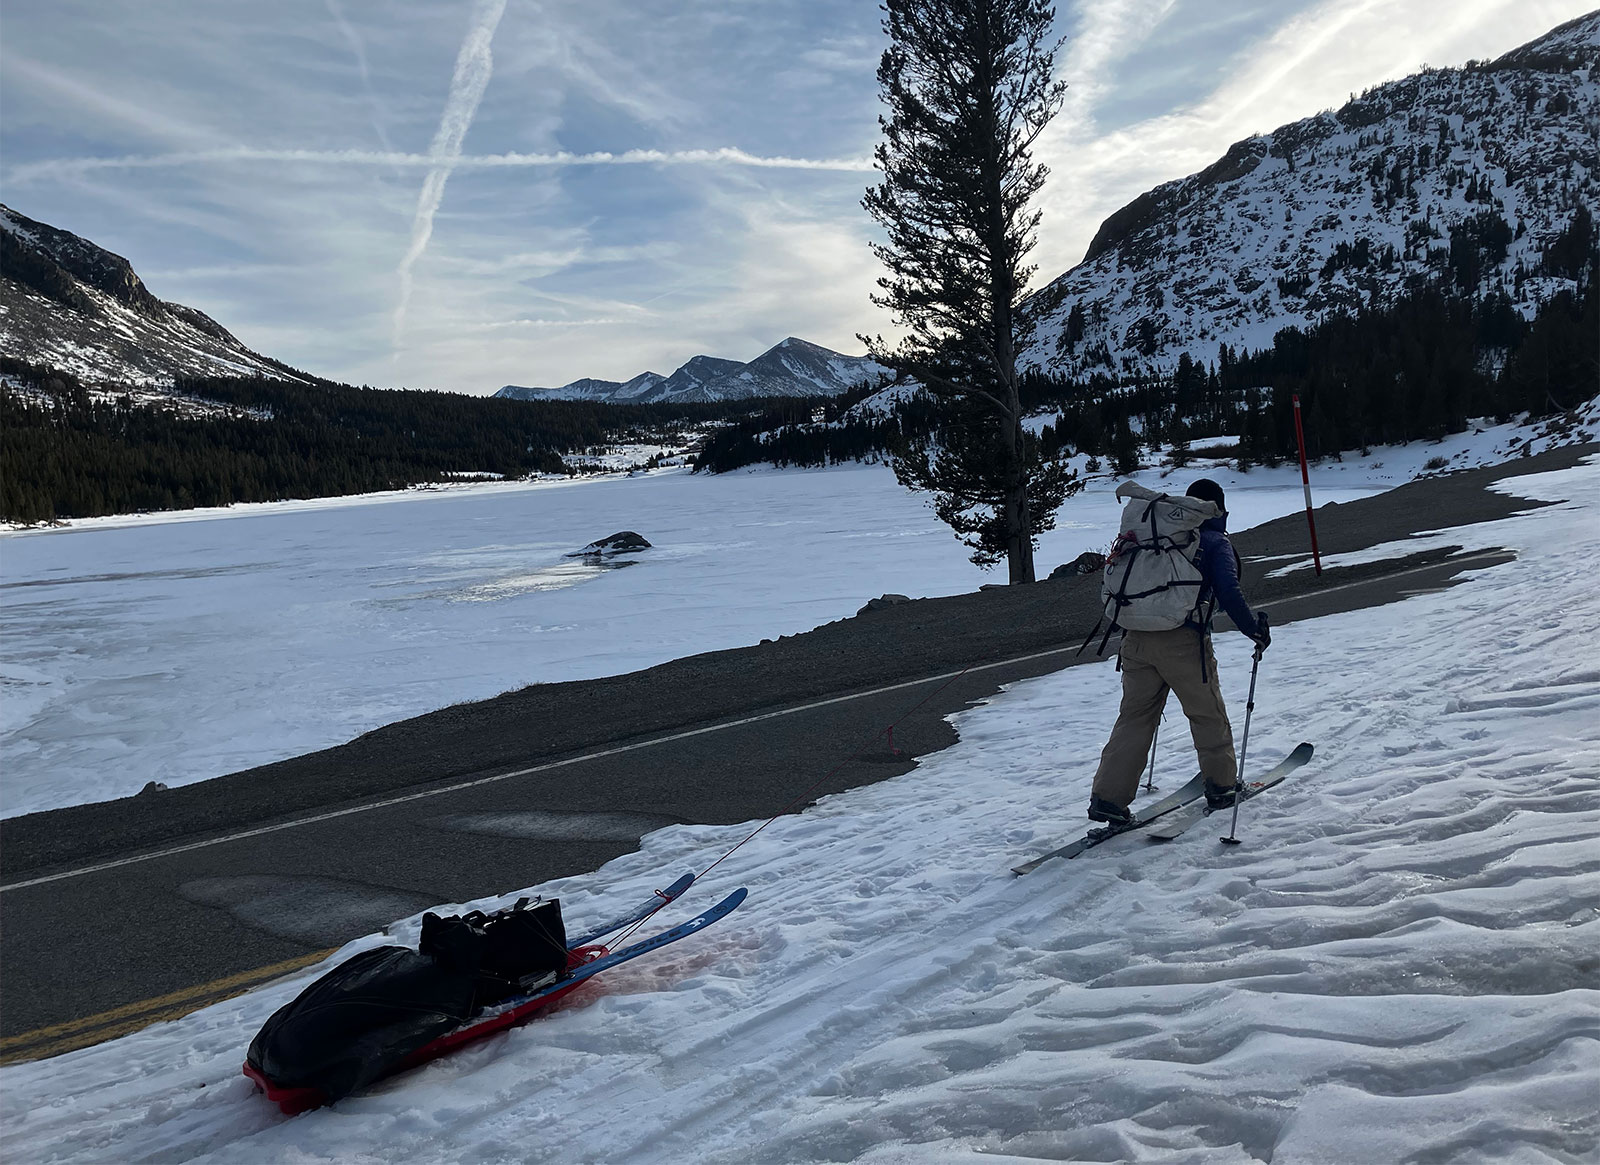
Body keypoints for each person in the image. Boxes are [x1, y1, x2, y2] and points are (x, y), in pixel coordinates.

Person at [1087, 478, 1270, 825]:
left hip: (1135, 639)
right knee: (1207, 714)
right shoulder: (1215, 542)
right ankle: (1222, 786)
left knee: (1134, 718)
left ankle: (1107, 799)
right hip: (1182, 642)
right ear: (1220, 510)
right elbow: (1228, 590)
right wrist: (1255, 629)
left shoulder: (1156, 536)